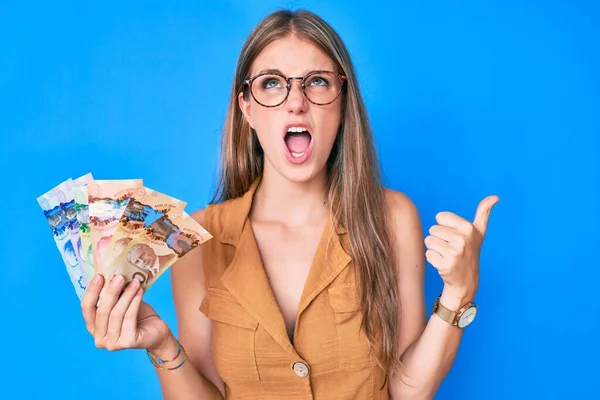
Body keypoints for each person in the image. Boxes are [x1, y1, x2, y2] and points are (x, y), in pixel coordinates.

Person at [80, 8, 499, 400]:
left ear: (342, 99)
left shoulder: (391, 218)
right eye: (272, 83)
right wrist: (162, 344)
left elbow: (407, 390)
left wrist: (459, 292)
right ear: (247, 107)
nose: (295, 101)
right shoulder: (199, 238)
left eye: (316, 81)